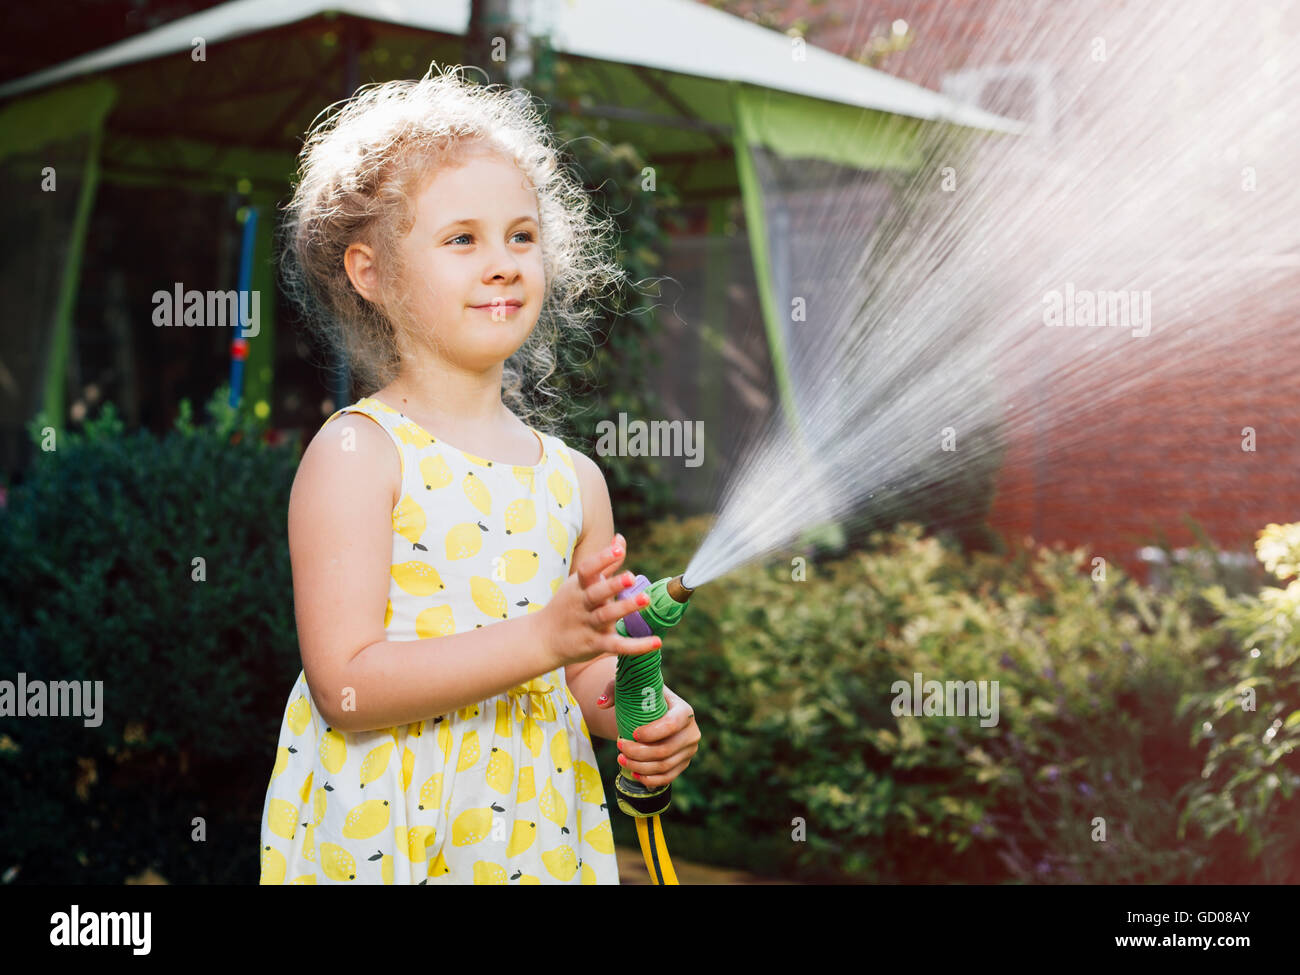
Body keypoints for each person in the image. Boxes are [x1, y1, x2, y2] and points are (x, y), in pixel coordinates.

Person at [258, 65, 701, 884]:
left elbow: (583, 670)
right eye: (462, 239)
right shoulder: (359, 453)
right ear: (372, 273)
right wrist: (542, 636)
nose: (501, 263)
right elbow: (343, 682)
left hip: (532, 838)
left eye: (520, 236)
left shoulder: (575, 482)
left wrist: (644, 714)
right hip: (392, 835)